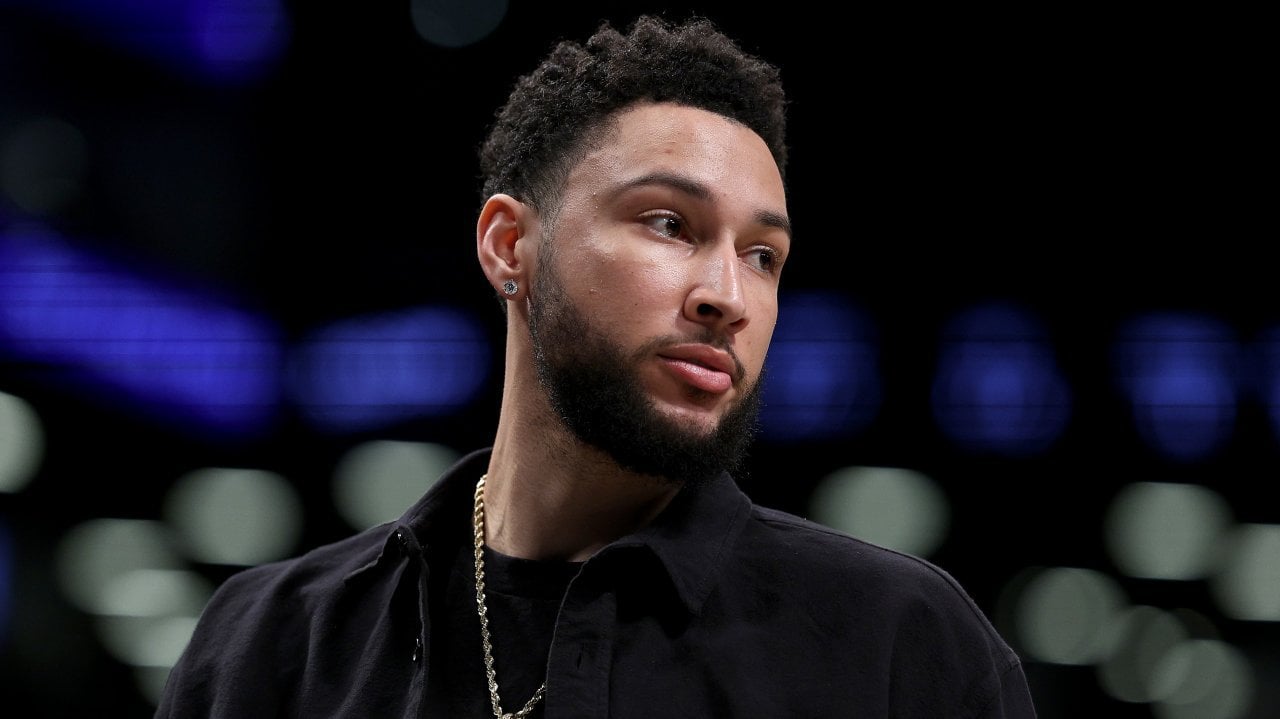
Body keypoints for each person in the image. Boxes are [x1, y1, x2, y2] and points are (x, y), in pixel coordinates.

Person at [155, 13, 1037, 718]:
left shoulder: (902, 644)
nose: (728, 295)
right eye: (670, 224)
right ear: (510, 246)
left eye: (763, 255)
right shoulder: (267, 645)